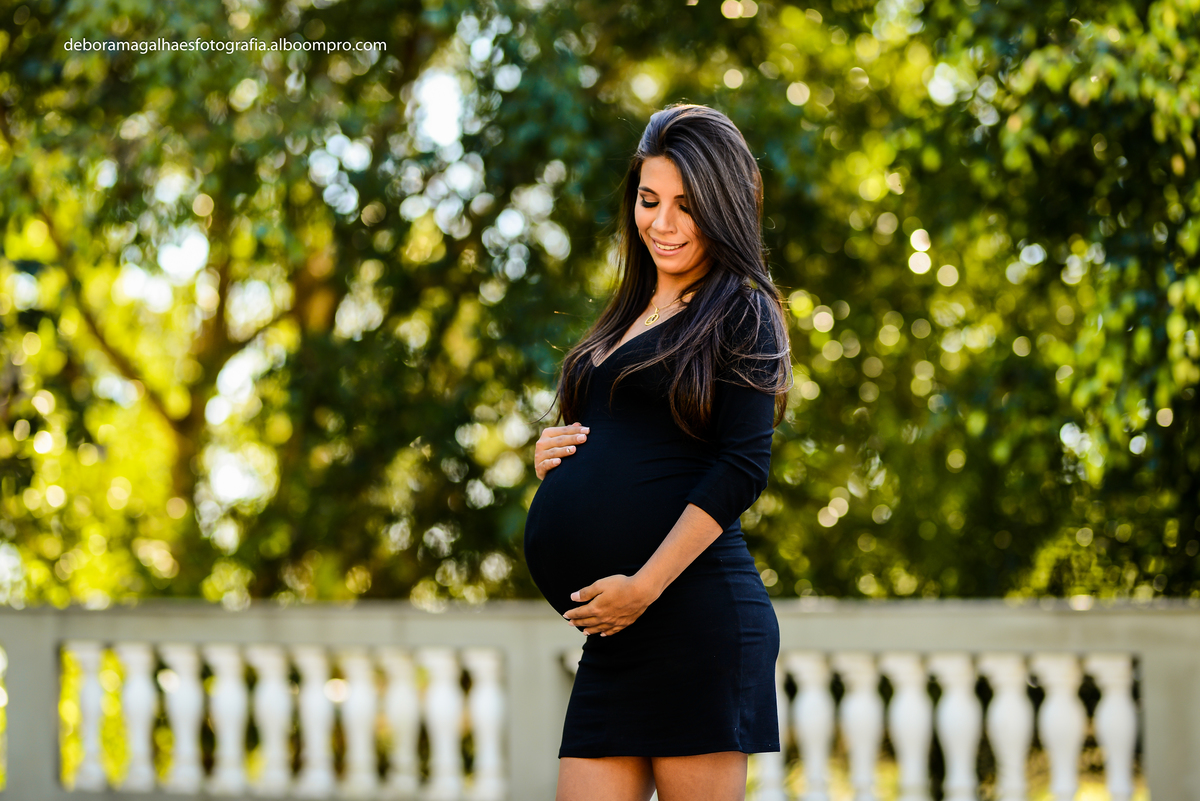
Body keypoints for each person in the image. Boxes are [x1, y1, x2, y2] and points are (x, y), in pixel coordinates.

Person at [523, 104, 793, 801]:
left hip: (691, 620)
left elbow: (742, 465)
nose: (662, 223)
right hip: (615, 638)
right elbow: (627, 438)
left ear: (725, 208)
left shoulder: (741, 307)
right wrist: (554, 457)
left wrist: (644, 586)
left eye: (686, 205)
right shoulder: (630, 308)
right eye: (650, 200)